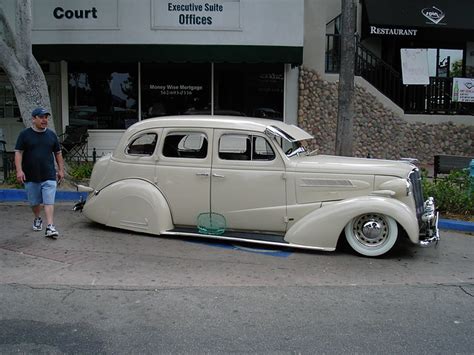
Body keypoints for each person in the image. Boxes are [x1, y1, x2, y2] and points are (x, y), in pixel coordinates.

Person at [14, 107, 65, 239]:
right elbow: (18, 152)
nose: (44, 120)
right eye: (41, 117)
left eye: (46, 117)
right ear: (34, 119)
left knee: (49, 201)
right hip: (31, 175)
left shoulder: (51, 135)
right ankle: (37, 218)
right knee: (34, 202)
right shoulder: (25, 134)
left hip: (48, 174)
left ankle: (50, 226)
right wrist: (19, 171)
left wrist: (60, 170)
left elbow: (58, 153)